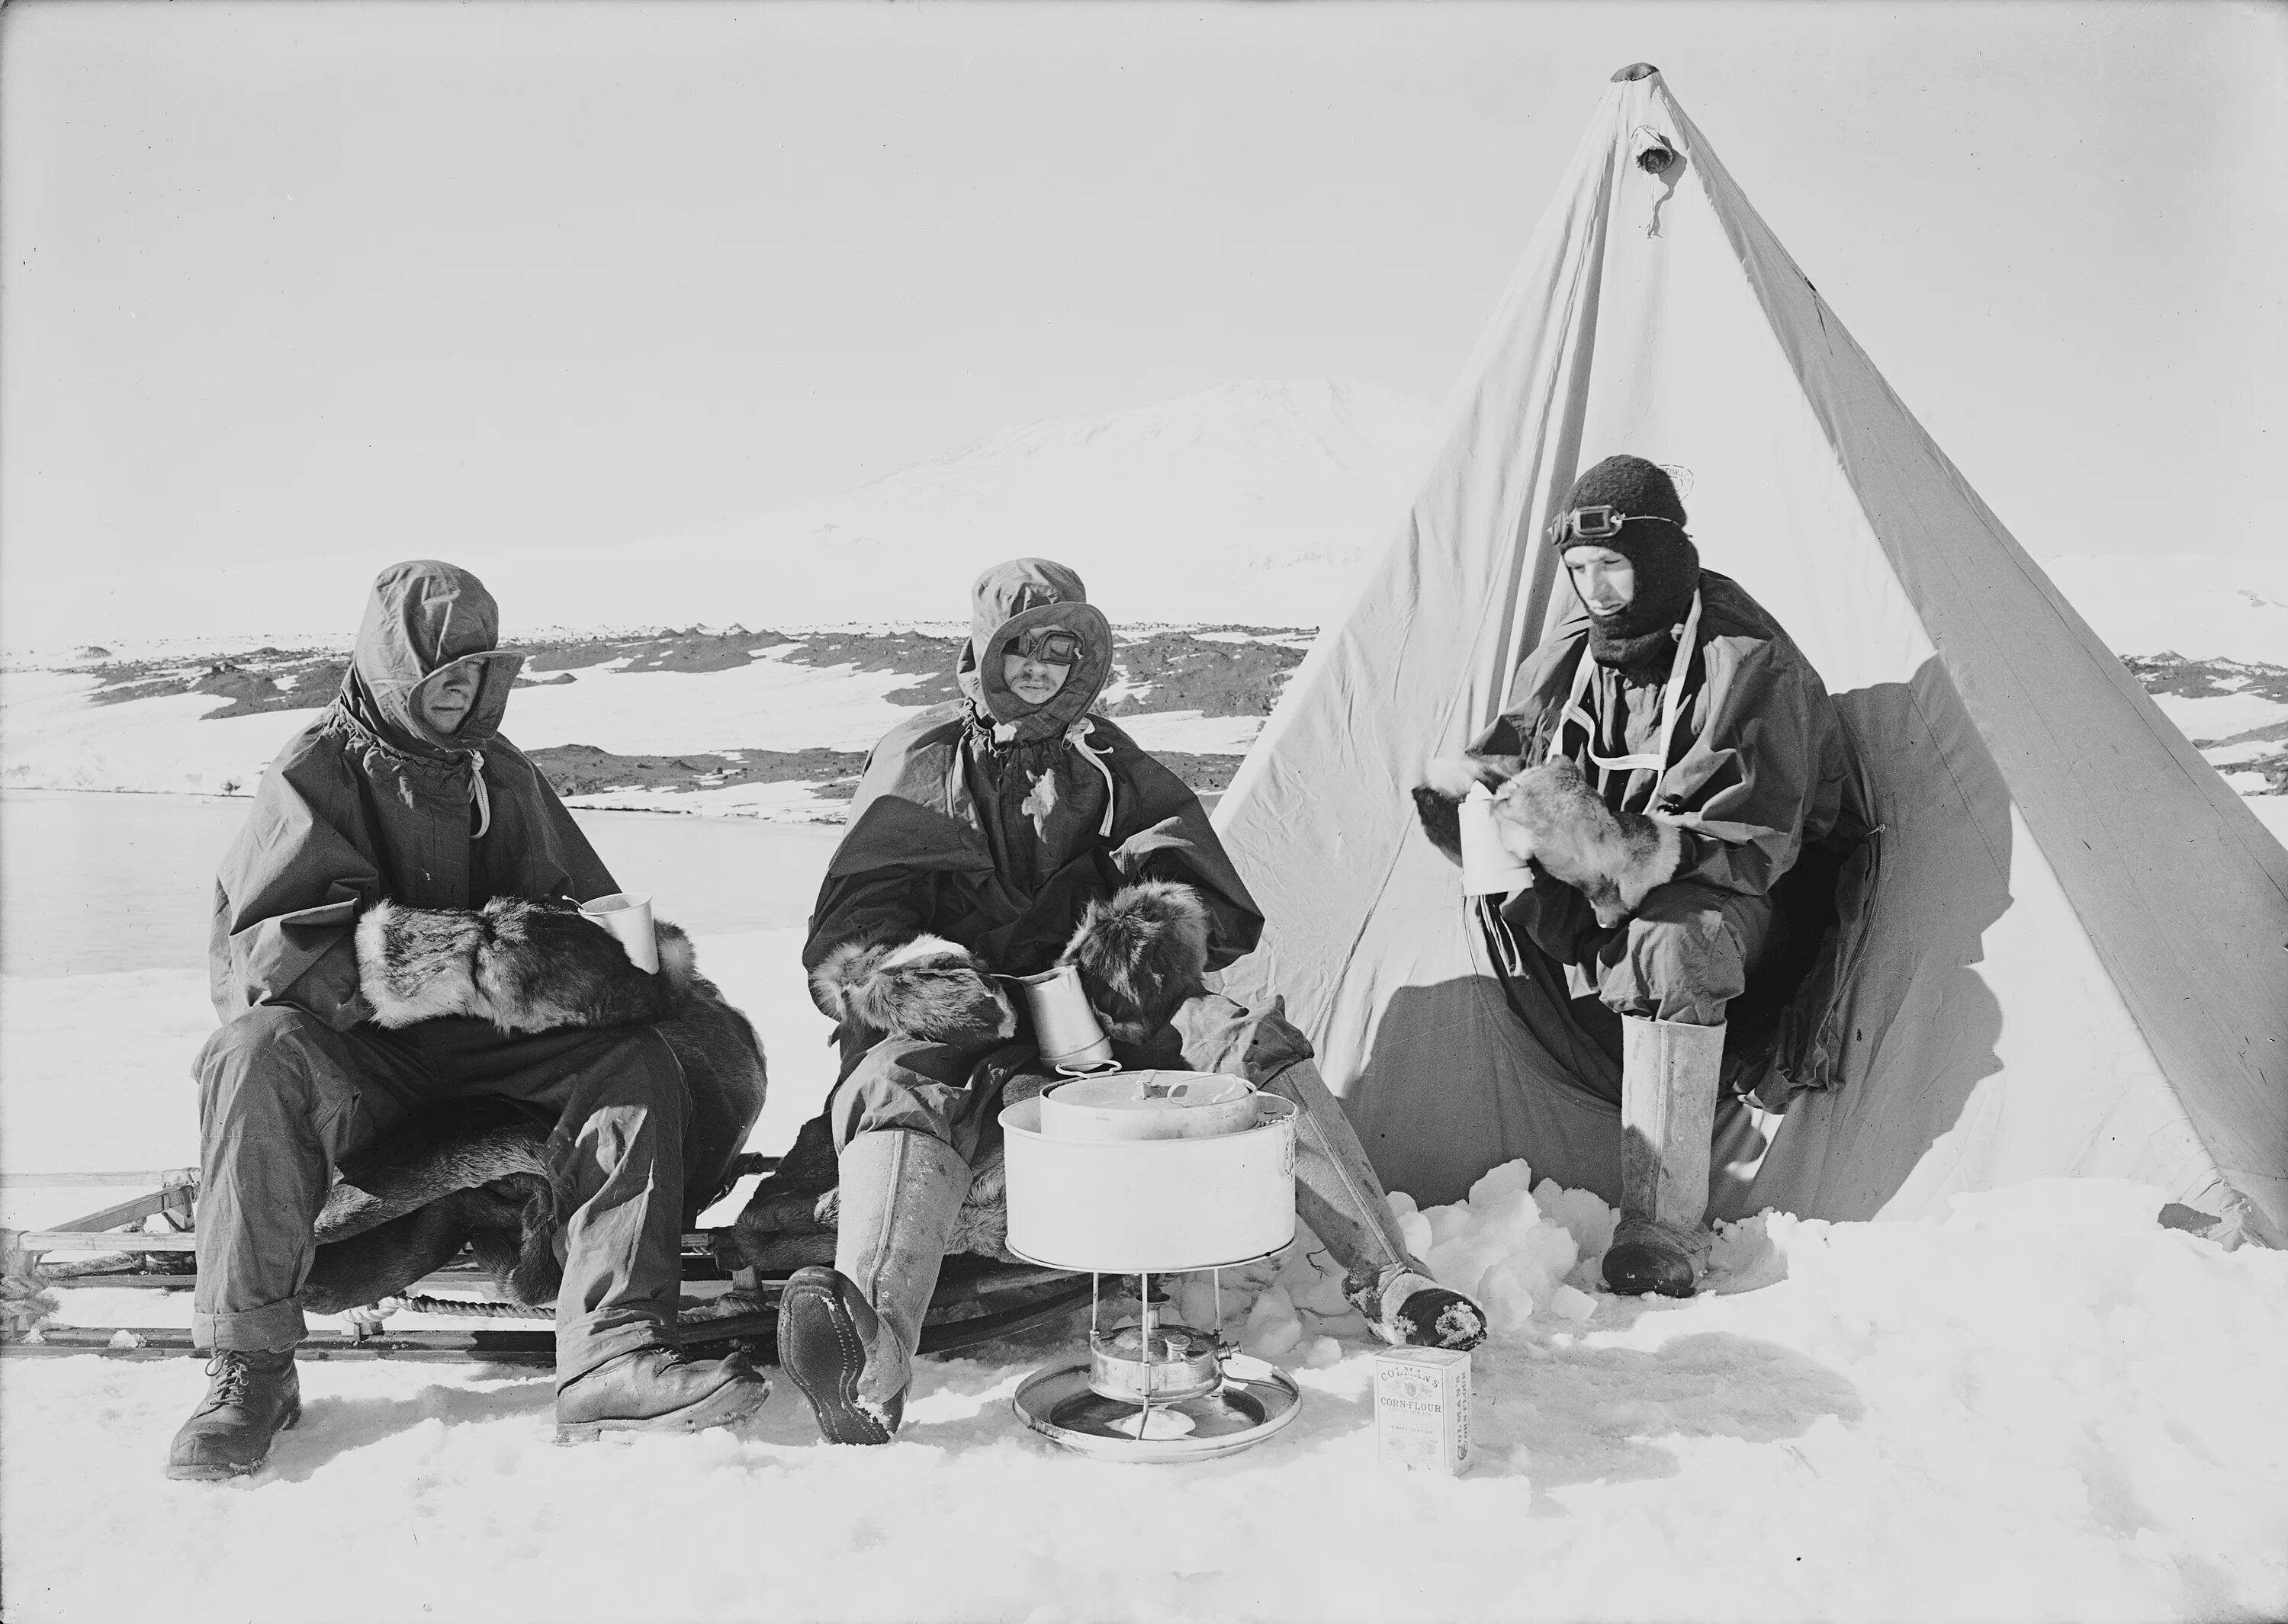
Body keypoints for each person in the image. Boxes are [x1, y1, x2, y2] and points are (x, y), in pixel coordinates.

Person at [776, 557, 1486, 1446]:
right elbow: (857, 925)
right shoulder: (923, 758)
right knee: (893, 1080)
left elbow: (1196, 887)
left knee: (1243, 1037)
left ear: (1085, 660)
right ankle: (872, 1364)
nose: (1039, 668)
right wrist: (927, 985)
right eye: (1019, 649)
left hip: (1095, 1009)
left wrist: (1142, 939)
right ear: (985, 652)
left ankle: (1392, 1283)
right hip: (975, 1020)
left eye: (1059, 649)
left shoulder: (1107, 762)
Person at [170, 560, 770, 1481]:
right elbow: (266, 959)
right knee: (252, 1052)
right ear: (391, 668)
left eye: (478, 668)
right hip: (369, 1064)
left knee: (637, 1058)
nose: (460, 687)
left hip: (495, 1058)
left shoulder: (504, 773)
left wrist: (614, 963)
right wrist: (470, 958)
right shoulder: (315, 770)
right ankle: (250, 1367)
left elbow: (585, 908)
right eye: (439, 668)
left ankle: (612, 1352)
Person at [1415, 456, 1850, 1298]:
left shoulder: (1743, 656)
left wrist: (1628, 853)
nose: (1597, 588)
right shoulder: (1576, 654)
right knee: (1503, 874)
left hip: (1735, 895)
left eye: (1612, 565)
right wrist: (1478, 803)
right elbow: (1510, 750)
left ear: (1659, 559)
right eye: (1578, 571)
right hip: (1609, 887)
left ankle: (1665, 1225)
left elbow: (1758, 833)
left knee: (1670, 938)